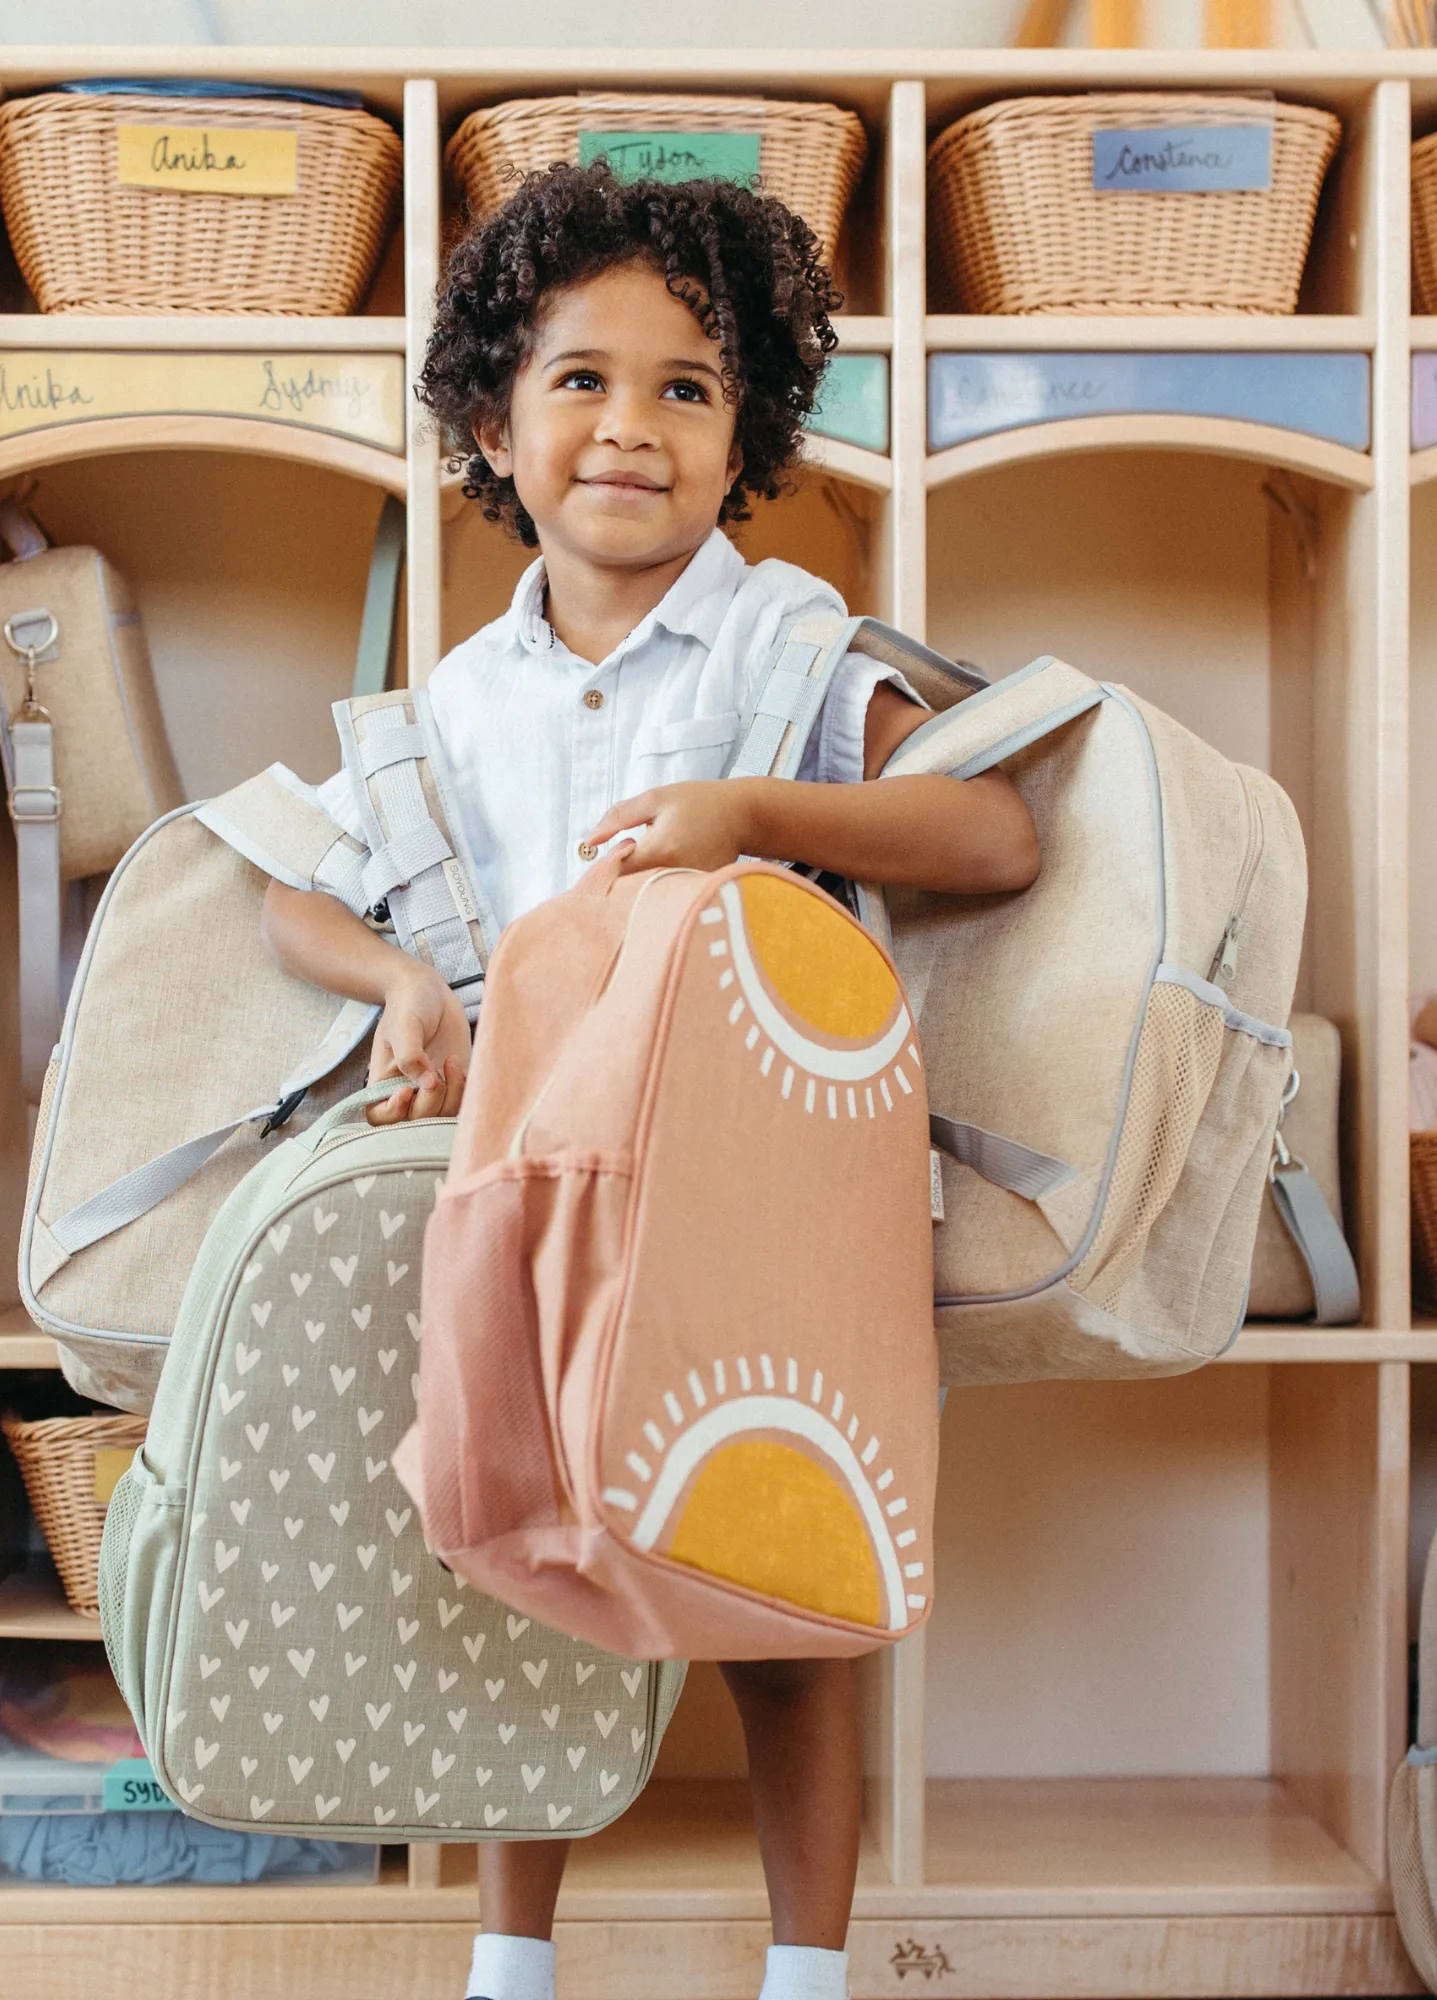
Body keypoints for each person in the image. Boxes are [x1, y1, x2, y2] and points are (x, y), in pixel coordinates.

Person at [263, 160, 1039, 2000]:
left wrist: (755, 814)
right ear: (491, 419)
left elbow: (993, 832)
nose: (632, 427)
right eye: (581, 379)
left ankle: (809, 1976)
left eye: (688, 387)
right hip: (540, 1181)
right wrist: (398, 985)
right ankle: (510, 1963)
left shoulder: (790, 647)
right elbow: (300, 886)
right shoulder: (458, 695)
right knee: (536, 1548)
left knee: (791, 1593)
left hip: (763, 1192)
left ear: (748, 426)